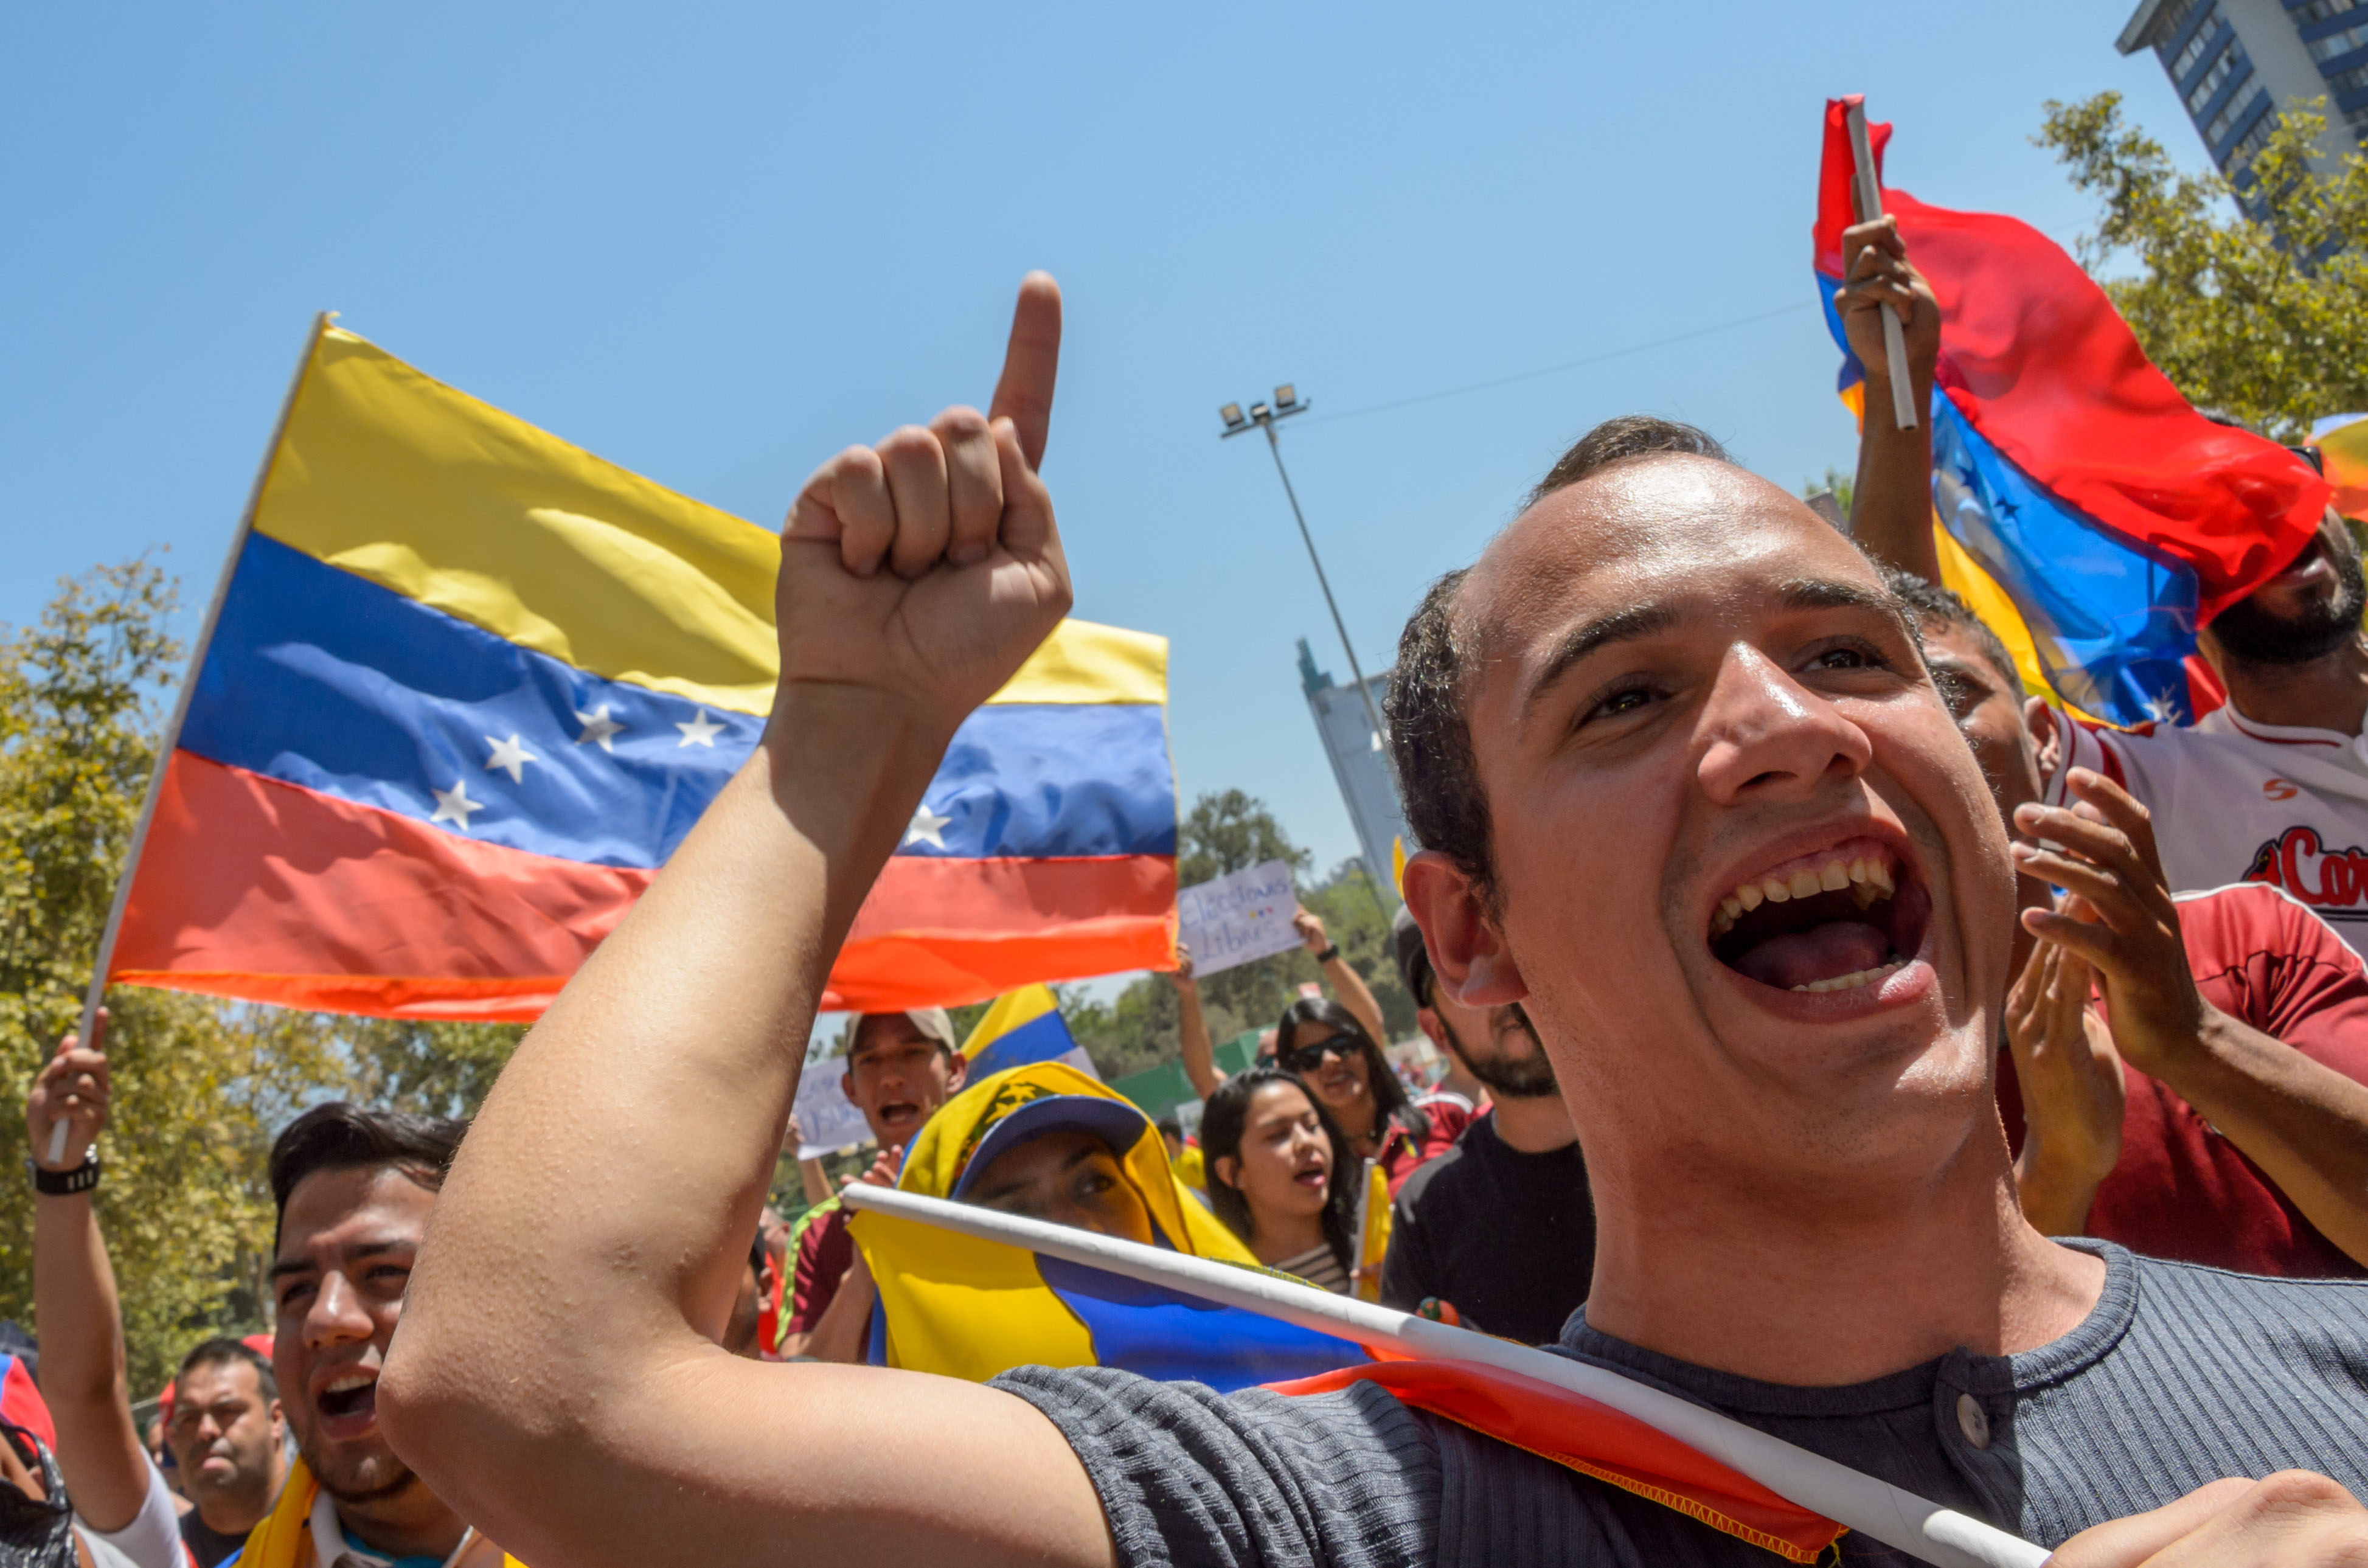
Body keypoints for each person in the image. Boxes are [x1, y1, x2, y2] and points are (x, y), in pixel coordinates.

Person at [379, 280, 2368, 1567]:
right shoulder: (1348, 1515)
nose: (1781, 725)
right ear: (1468, 940)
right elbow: (534, 1381)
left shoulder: (2337, 1371)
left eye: (1849, 650)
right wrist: (847, 730)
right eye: (1627, 695)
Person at [1838, 212, 2368, 954]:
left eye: (2276, 486)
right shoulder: (2145, 792)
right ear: (2162, 587)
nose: (2262, 526)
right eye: (2208, 519)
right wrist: (1901, 382)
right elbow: (1911, 648)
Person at [1894, 569, 2368, 1275]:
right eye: (1872, 720)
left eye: (1950, 695)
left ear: (2043, 741)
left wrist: (2196, 1043)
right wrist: (2054, 1173)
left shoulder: (2251, 942)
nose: (1924, 742)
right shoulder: (1824, 1065)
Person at [26, 1012, 282, 1568]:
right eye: (184, 1419)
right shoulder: (158, 1555)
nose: (204, 1431)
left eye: (228, 1410)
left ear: (280, 1420)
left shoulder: (355, 1533)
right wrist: (62, 1175)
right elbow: (88, 1396)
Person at [1380, 909, 1594, 1343]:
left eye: (1511, 949)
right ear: (1437, 1032)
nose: (1498, 985)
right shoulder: (1428, 1212)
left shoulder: (1703, 1124)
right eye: (1462, 970)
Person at [777, 1008, 965, 1359]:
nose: (892, 1077)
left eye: (913, 1053)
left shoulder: (999, 1193)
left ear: (954, 1071)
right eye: (870, 1060)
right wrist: (866, 1264)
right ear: (850, 1089)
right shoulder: (821, 1234)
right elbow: (799, 1381)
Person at [1273, 996, 1465, 1193]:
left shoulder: (1445, 1116)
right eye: (1309, 1057)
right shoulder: (1315, 1171)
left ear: (1366, 1049)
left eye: (1341, 1044)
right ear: (1294, 1075)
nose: (1330, 1060)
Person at [1196, 1066, 1360, 1291]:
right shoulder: (1228, 1294)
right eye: (1277, 1134)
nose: (1306, 1142)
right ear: (1231, 1172)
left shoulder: (1387, 1244)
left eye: (1311, 1125)